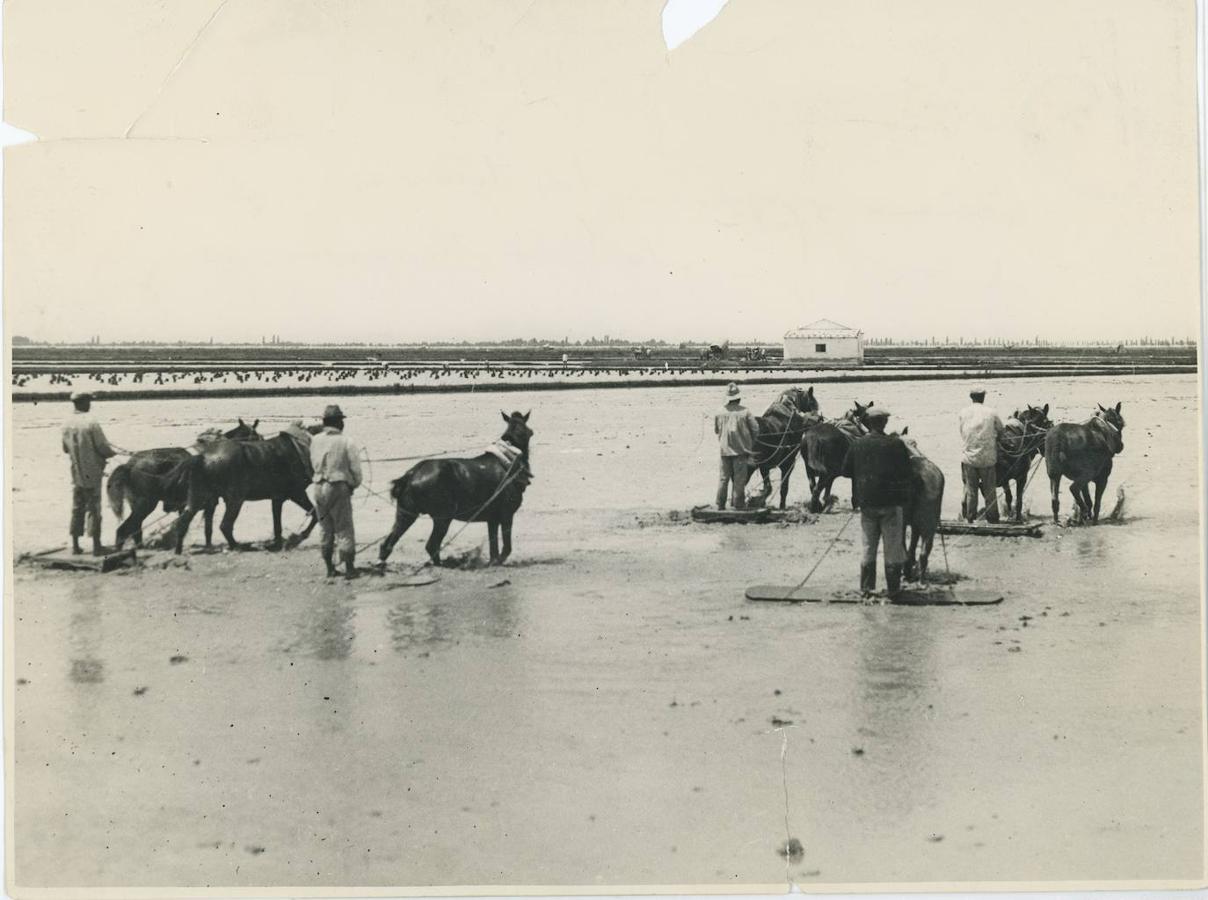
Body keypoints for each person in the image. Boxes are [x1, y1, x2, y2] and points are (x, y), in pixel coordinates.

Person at [841, 406, 912, 598]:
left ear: (867, 423)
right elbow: (907, 473)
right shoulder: (896, 444)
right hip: (891, 504)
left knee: (868, 546)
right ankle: (894, 590)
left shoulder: (857, 444)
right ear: (885, 423)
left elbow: (846, 471)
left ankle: (867, 589)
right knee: (893, 547)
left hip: (867, 504)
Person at [61, 391, 119, 555]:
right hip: (92, 472)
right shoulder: (91, 422)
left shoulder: (66, 423)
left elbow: (65, 448)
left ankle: (75, 545)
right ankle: (96, 546)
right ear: (84, 403)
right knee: (94, 508)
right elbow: (102, 447)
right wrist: (110, 453)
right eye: (88, 401)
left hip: (76, 472)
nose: (90, 404)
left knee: (77, 507)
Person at [309, 404, 363, 579]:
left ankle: (330, 569)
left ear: (325, 422)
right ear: (339, 422)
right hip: (338, 487)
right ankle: (349, 569)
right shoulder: (347, 441)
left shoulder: (315, 440)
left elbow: (313, 463)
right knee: (344, 527)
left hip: (317, 487)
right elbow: (356, 470)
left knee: (325, 528)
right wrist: (353, 485)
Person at [958, 386, 1004, 523]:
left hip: (969, 458)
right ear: (983, 397)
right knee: (990, 490)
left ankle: (970, 518)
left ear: (971, 397)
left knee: (971, 490)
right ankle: (993, 518)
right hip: (987, 458)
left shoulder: (963, 412)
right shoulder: (992, 412)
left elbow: (962, 432)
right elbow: (1001, 431)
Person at [713, 382, 760, 510]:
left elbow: (716, 430)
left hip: (724, 451)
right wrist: (750, 442)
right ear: (738, 398)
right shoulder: (745, 412)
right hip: (740, 451)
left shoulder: (719, 412)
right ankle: (738, 505)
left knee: (723, 478)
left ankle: (720, 504)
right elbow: (756, 429)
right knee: (739, 480)